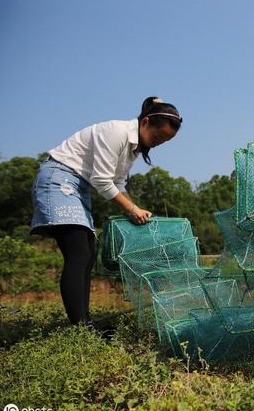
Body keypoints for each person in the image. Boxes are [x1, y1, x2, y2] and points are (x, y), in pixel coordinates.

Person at [30, 96, 182, 326]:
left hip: (79, 187)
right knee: (79, 254)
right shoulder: (116, 132)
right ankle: (81, 328)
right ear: (145, 122)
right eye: (158, 136)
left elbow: (117, 183)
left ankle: (84, 323)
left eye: (164, 141)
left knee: (87, 255)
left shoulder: (133, 150)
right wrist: (132, 209)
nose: (157, 143)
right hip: (59, 178)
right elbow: (102, 181)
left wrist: (137, 209)